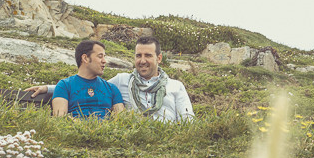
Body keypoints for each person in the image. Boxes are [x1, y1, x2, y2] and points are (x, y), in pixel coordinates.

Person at [28, 36, 194, 122]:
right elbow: (85, 83)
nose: (142, 60)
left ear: (159, 58)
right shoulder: (122, 81)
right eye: (138, 55)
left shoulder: (176, 86)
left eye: (148, 55)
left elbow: (188, 120)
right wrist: (49, 88)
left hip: (167, 140)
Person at [51, 40, 125, 119]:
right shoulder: (64, 85)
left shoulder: (112, 88)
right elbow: (60, 117)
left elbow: (121, 120)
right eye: (100, 56)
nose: (104, 61)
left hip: (106, 130)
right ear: (85, 58)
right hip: (75, 129)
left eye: (104, 56)